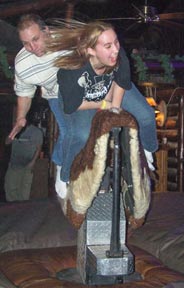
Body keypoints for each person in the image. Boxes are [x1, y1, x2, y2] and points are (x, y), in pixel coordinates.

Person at [47, 20, 158, 198]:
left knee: (146, 116)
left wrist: (115, 108)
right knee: (81, 134)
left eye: (116, 42)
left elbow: (121, 81)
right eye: (108, 46)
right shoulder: (70, 71)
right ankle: (64, 173)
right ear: (91, 50)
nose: (115, 49)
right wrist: (104, 103)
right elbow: (74, 106)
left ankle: (147, 151)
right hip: (82, 99)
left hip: (109, 87)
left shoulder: (117, 54)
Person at [7, 13, 67, 195]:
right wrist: (20, 117)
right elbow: (24, 94)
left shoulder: (65, 40)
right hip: (56, 95)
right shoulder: (22, 63)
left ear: (46, 31)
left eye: (36, 39)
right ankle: (61, 168)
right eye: (26, 43)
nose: (32, 47)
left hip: (81, 89)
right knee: (69, 130)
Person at [4, 118, 43, 201]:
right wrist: (14, 131)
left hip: (27, 166)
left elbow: (38, 148)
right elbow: (7, 142)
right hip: (14, 165)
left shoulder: (36, 132)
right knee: (10, 189)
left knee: (24, 192)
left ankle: (22, 211)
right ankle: (13, 211)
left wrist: (33, 162)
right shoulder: (16, 129)